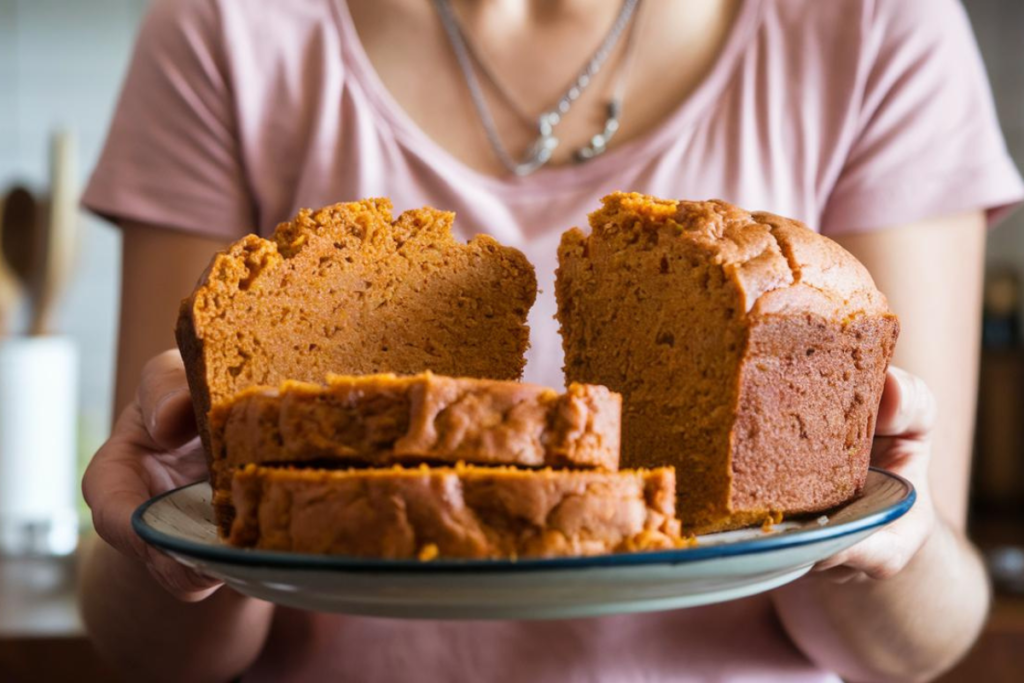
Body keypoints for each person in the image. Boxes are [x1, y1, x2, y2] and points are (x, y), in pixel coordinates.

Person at [79, 0, 1023, 681]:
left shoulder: (875, 26)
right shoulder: (223, 27)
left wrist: (877, 525)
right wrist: (175, 525)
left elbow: (918, 645)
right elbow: (154, 644)